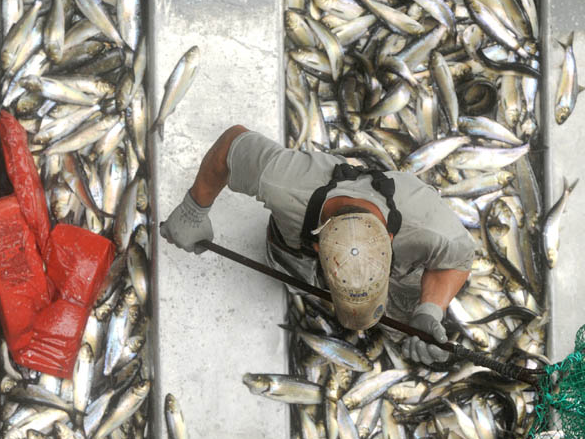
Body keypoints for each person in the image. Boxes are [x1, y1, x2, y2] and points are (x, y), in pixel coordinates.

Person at [160, 125, 477, 366]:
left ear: (391, 240)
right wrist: (193, 208)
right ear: (317, 244)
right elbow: (231, 144)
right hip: (295, 250)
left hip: (399, 266)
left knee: (414, 312)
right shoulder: (286, 183)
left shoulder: (431, 225)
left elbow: (458, 260)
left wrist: (430, 309)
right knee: (289, 264)